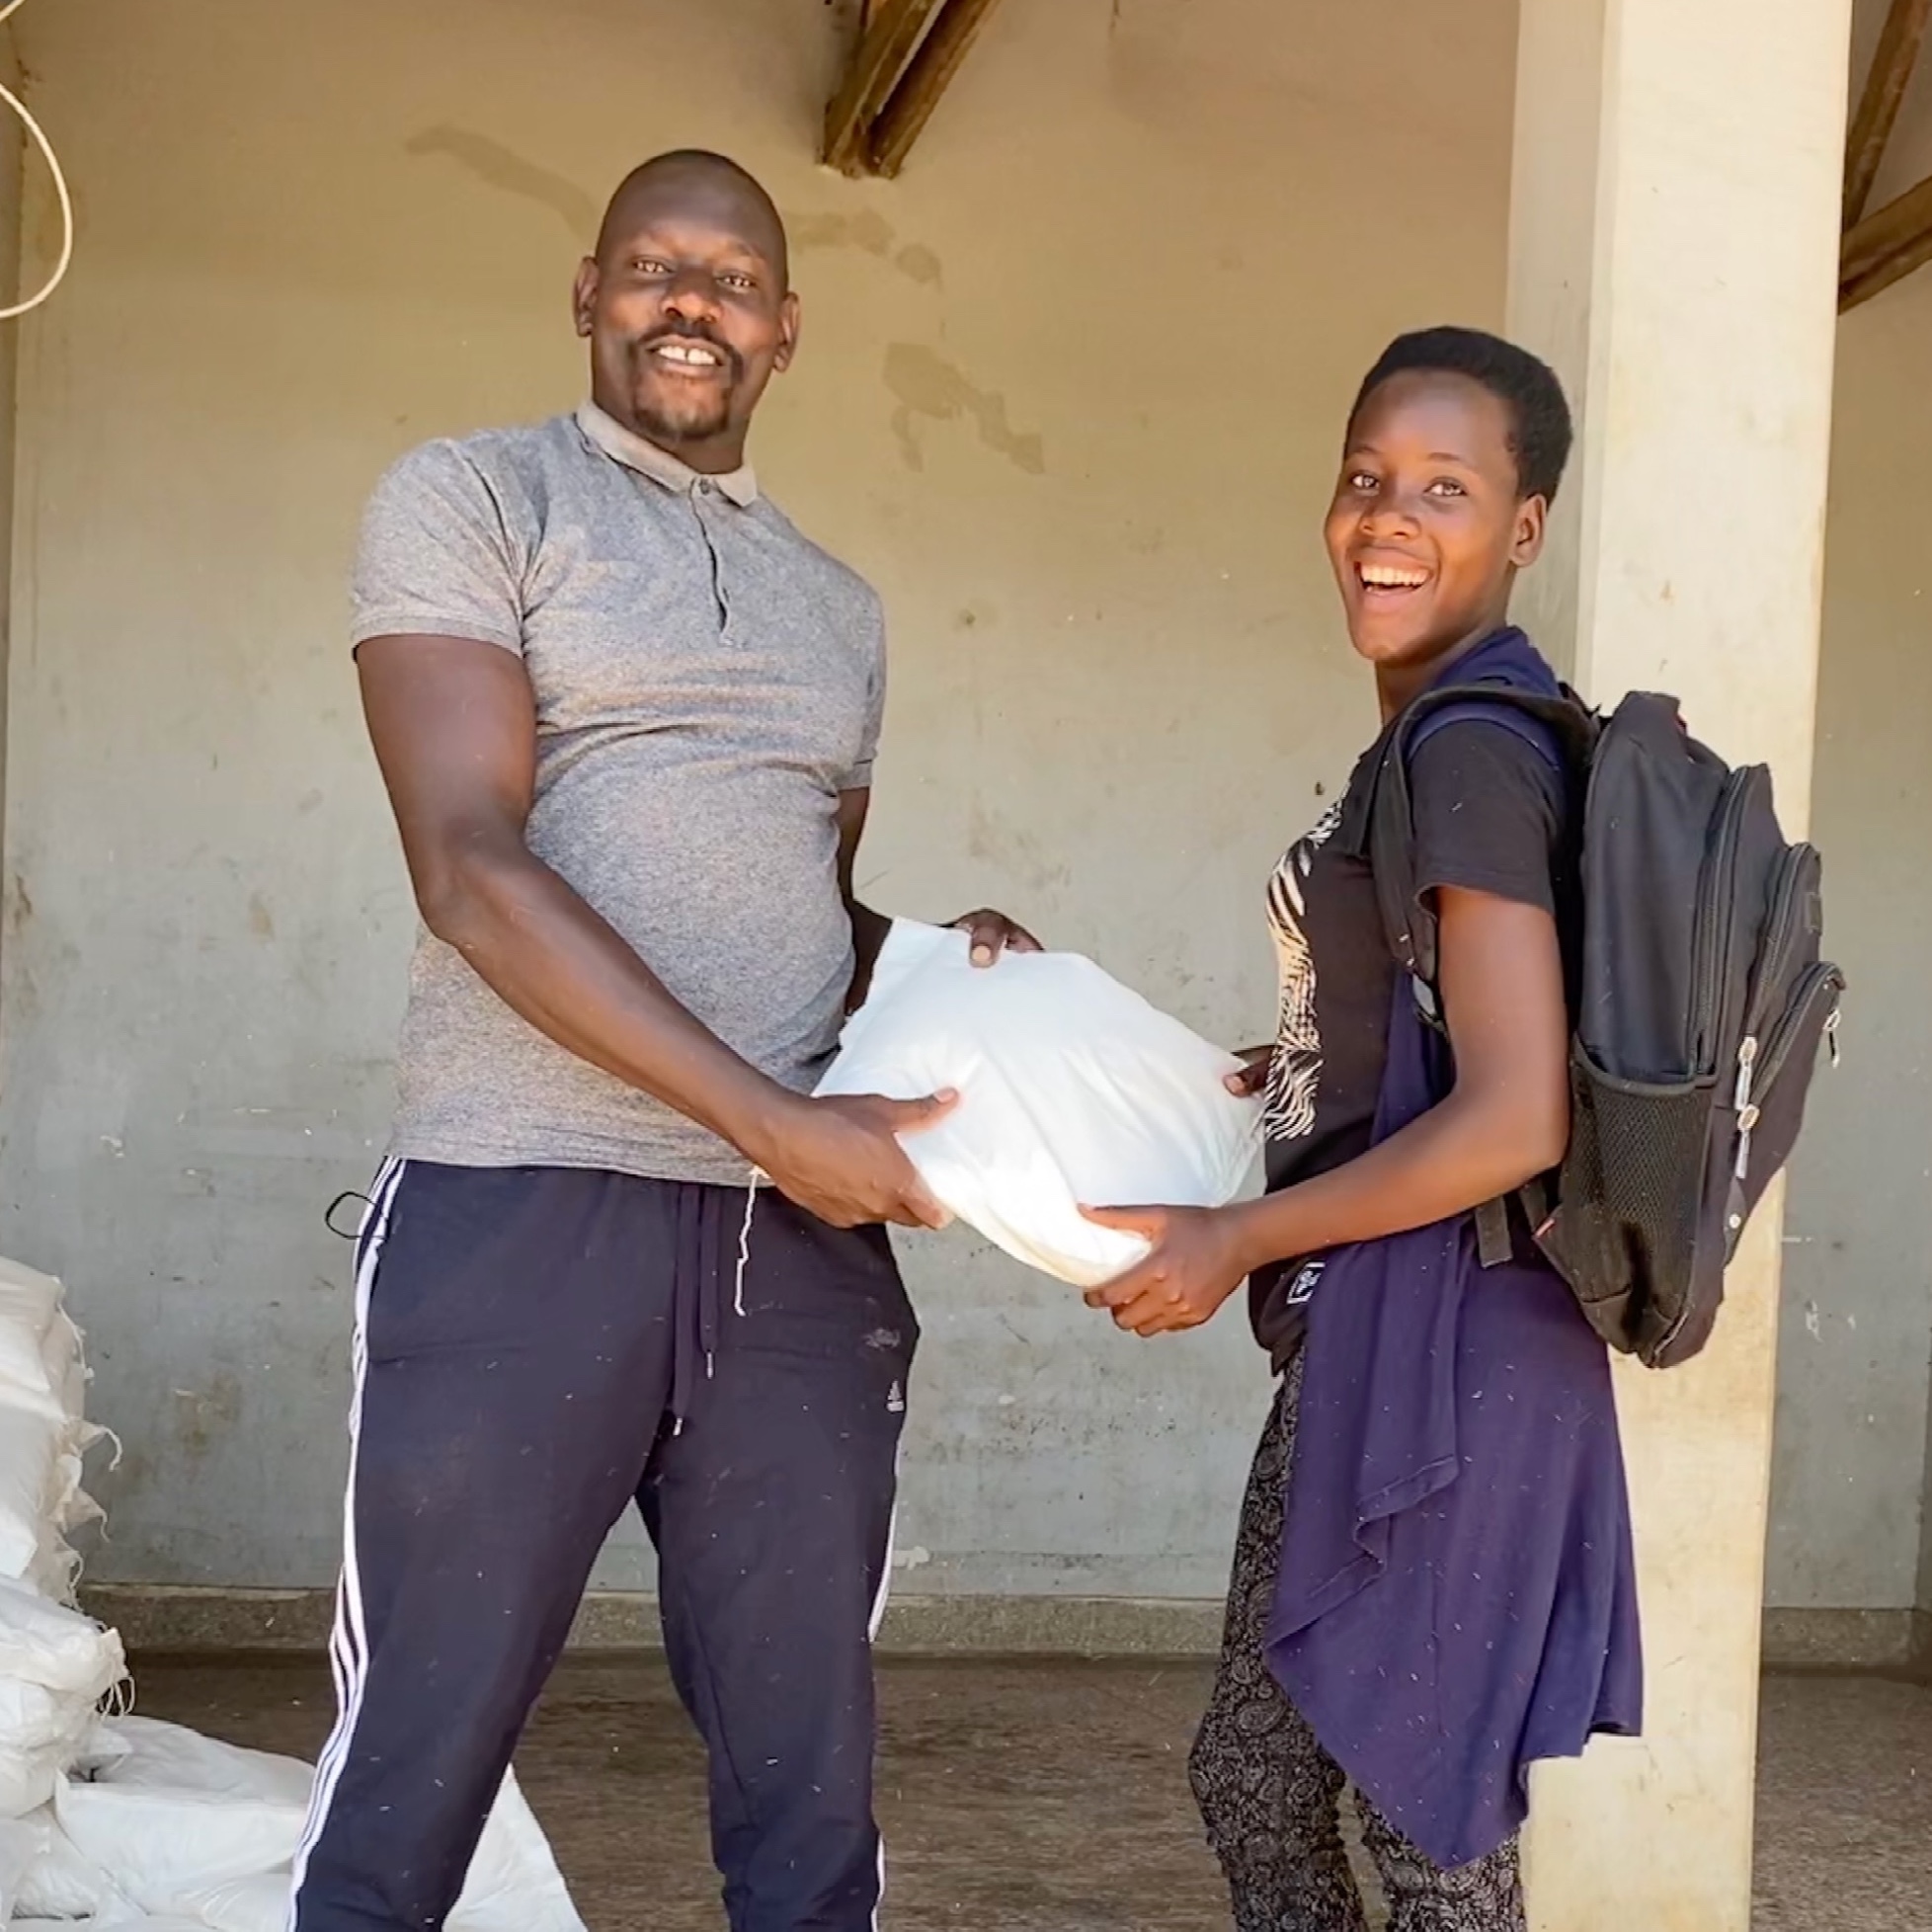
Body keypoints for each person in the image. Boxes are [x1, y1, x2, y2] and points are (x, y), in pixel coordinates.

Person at [290, 150, 1037, 1932]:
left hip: (795, 1263)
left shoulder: (838, 609)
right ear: (587, 292)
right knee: (414, 1771)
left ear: (787, 327)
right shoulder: (475, 497)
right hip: (522, 1207)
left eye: (728, 278)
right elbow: (469, 869)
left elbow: (804, 908)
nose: (688, 302)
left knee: (808, 1797)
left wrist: (956, 967)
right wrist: (775, 1124)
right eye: (651, 268)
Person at [1082, 328, 1641, 1929]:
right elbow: (1433, 1027)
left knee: (1418, 1815)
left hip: (1452, 1347)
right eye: (1365, 479)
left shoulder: (1469, 745)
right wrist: (1290, 1067)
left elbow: (1520, 1107)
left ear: (1522, 528)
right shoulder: (1445, 734)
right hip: (1395, 1328)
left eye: (1445, 490)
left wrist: (1235, 1235)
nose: (1388, 519)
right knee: (1262, 1774)